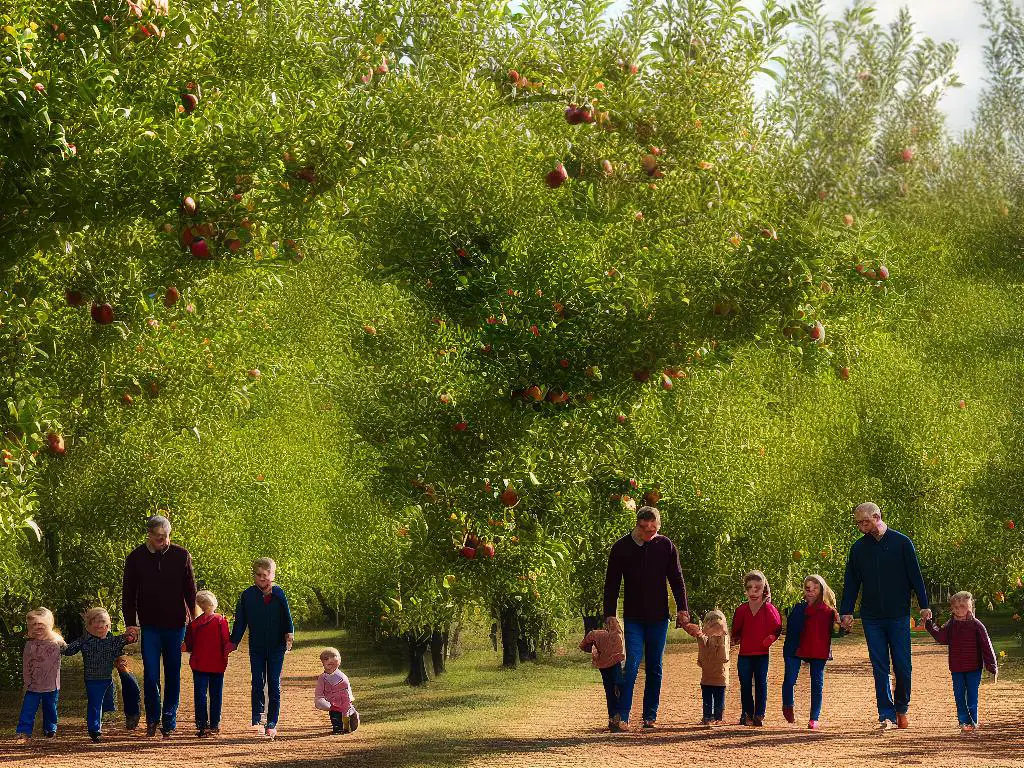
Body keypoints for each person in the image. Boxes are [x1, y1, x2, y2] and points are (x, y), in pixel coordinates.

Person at [839, 502, 931, 732]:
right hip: (872, 618)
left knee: (902, 666)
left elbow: (915, 577)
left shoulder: (902, 543)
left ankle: (902, 708)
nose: (861, 526)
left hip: (898, 615)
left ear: (877, 516)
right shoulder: (858, 549)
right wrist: (847, 611)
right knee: (880, 666)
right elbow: (851, 582)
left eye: (865, 522)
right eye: (858, 523)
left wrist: (924, 606)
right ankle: (886, 714)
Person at [602, 506, 689, 731]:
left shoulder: (666, 546)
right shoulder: (621, 548)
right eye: (644, 528)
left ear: (658, 525)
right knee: (631, 665)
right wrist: (610, 614)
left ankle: (650, 715)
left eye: (654, 528)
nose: (649, 533)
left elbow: (677, 579)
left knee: (655, 667)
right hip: (633, 618)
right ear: (637, 524)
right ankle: (623, 715)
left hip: (659, 618)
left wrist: (683, 609)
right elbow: (611, 584)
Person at [122, 514, 198, 738]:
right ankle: (153, 718)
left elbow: (190, 591)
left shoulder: (181, 555)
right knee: (152, 675)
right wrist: (130, 624)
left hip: (176, 624)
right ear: (149, 535)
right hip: (150, 625)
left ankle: (169, 719)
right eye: (158, 538)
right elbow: (128, 595)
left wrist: (194, 621)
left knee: (173, 672)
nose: (163, 542)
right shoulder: (135, 558)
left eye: (166, 537)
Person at [228, 557, 294, 740]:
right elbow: (241, 621)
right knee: (257, 682)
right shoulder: (247, 595)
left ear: (273, 575)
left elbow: (287, 616)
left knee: (273, 683)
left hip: (276, 647)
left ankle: (272, 722)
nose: (262, 579)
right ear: (254, 576)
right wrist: (232, 642)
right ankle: (257, 719)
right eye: (259, 575)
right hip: (256, 647)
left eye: (266, 575)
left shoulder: (279, 593)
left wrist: (290, 633)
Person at [924, 591, 998, 735]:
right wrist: (928, 624)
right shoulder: (951, 625)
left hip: (974, 667)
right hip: (957, 667)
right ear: (952, 608)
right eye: (956, 607)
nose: (959, 610)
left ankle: (973, 722)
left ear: (970, 606)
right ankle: (964, 722)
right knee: (959, 695)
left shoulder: (977, 625)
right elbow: (942, 638)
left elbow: (986, 646)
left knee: (972, 695)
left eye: (963, 606)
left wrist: (992, 666)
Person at [61, 607, 135, 743]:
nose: (99, 625)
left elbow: (128, 639)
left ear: (108, 625)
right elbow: (68, 650)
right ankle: (94, 730)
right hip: (92, 679)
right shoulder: (85, 640)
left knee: (107, 705)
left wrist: (131, 635)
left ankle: (100, 722)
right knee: (95, 704)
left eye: (103, 622)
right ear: (88, 626)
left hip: (107, 679)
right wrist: (57, 643)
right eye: (95, 622)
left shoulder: (113, 640)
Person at [782, 574, 840, 729]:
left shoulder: (829, 611)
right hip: (795, 647)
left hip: (818, 649)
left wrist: (842, 626)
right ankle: (788, 704)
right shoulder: (797, 607)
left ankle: (814, 718)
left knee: (817, 684)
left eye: (815, 588)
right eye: (808, 588)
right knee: (789, 680)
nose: (811, 591)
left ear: (822, 589)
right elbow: (790, 628)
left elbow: (837, 631)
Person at [731, 570, 782, 726]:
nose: (753, 591)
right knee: (745, 684)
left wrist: (772, 638)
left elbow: (778, 627)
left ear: (763, 588)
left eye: (757, 588)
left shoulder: (769, 609)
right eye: (749, 588)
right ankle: (747, 714)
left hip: (761, 654)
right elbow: (735, 631)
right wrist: (734, 638)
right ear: (745, 590)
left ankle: (759, 714)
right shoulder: (741, 610)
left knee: (761, 683)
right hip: (745, 654)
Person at [184, 590, 231, 737]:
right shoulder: (221, 621)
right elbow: (226, 642)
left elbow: (189, 644)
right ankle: (215, 724)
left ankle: (201, 724)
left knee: (200, 695)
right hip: (217, 664)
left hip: (199, 664)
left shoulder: (195, 624)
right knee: (216, 694)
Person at [16, 608, 66, 744]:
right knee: (28, 708)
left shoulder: (56, 644)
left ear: (49, 625)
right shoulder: (29, 645)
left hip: (51, 684)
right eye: (34, 625)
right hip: (33, 685)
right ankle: (24, 732)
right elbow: (26, 665)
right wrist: (27, 682)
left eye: (41, 625)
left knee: (50, 708)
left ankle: (50, 729)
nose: (37, 628)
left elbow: (65, 652)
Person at [683, 609, 730, 727]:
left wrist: (720, 638)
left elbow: (723, 657)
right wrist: (699, 634)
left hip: (720, 678)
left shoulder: (724, 640)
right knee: (707, 700)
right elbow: (702, 654)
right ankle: (707, 717)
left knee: (719, 700)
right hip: (707, 677)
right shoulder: (704, 639)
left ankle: (718, 717)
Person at [579, 616, 626, 731]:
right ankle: (617, 717)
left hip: (603, 665)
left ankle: (612, 717)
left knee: (609, 690)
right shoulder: (620, 635)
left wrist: (595, 649)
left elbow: (583, 645)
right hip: (616, 664)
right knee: (619, 687)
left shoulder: (595, 634)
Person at [314, 647, 360, 734]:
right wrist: (320, 700)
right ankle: (338, 728)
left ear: (338, 663)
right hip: (332, 702)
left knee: (345, 714)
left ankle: (352, 715)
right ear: (323, 663)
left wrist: (349, 699)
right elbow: (319, 691)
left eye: (333, 663)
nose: (330, 665)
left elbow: (347, 690)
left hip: (344, 700)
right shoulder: (322, 678)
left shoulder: (342, 677)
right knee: (335, 716)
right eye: (327, 662)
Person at [100, 654, 142, 731]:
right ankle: (131, 714)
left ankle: (132, 714)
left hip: (121, 649)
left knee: (131, 685)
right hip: (108, 648)